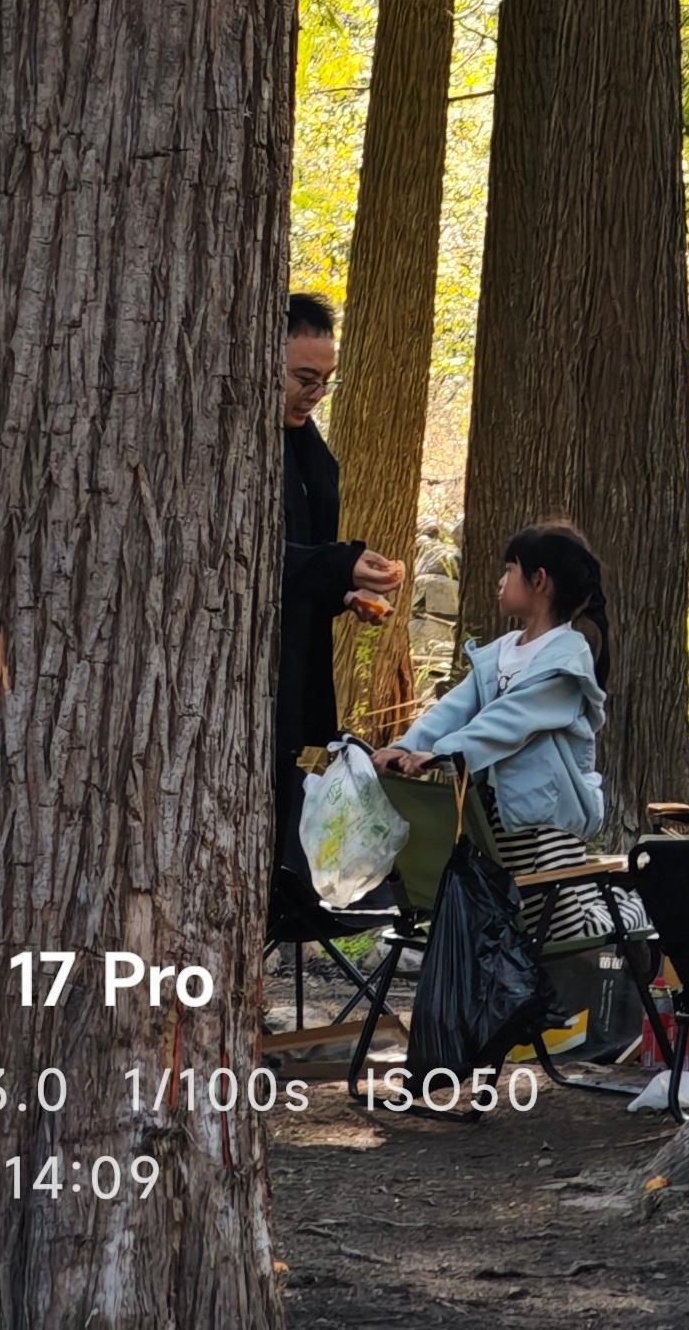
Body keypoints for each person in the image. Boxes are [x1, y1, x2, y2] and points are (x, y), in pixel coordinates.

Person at [376, 522, 646, 955]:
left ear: (539, 580)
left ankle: (640, 908)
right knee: (516, 932)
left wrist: (440, 754)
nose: (500, 581)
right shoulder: (500, 652)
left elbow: (510, 719)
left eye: (509, 570)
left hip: (546, 823)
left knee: (564, 932)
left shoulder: (567, 659)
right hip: (496, 820)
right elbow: (454, 708)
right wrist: (408, 745)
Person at [276, 295, 403, 930]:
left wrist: (347, 592)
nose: (316, 394)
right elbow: (247, 554)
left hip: (297, 662)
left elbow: (306, 554)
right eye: (304, 378)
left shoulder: (308, 448)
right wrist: (339, 567)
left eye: (326, 380)